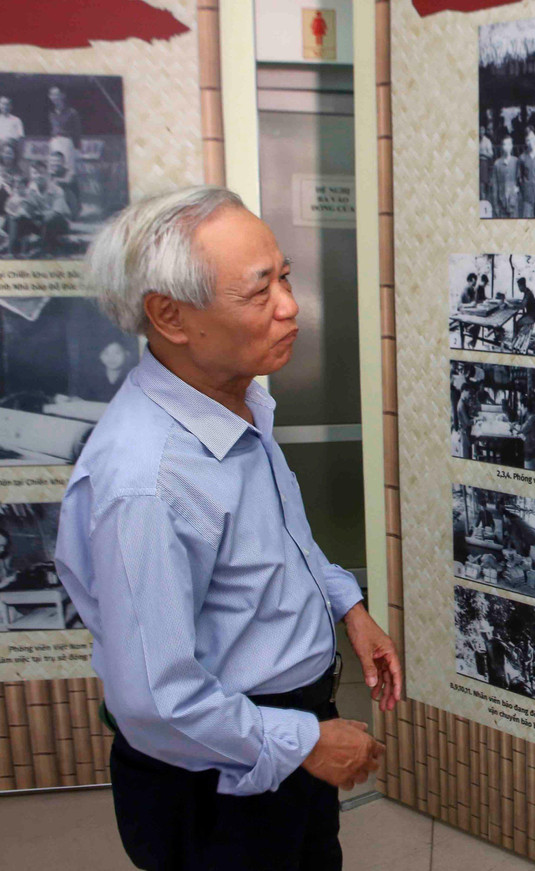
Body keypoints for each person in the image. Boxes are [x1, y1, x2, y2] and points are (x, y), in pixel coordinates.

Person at [56, 186, 401, 870]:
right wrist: (305, 741)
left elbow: (278, 538)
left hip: (276, 741)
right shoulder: (147, 482)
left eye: (285, 277)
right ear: (169, 315)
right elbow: (156, 701)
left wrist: (346, 604)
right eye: (258, 291)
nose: (289, 306)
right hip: (219, 775)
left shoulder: (239, 400)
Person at [8, 160, 71, 257]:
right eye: (35, 173)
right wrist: (20, 212)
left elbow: (57, 212)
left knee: (51, 219)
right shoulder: (30, 190)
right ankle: (13, 251)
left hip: (59, 224)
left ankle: (45, 251)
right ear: (31, 175)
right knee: (16, 217)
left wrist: (36, 215)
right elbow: (26, 207)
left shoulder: (57, 190)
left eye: (41, 172)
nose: (38, 176)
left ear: (47, 174)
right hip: (40, 222)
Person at [489, 134, 519, 218]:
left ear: (512, 146)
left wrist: (516, 191)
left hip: (513, 202)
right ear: (502, 146)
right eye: (505, 144)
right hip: (501, 202)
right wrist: (495, 205)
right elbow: (495, 186)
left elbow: (520, 181)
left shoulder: (516, 161)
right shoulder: (497, 164)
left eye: (509, 144)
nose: (507, 147)